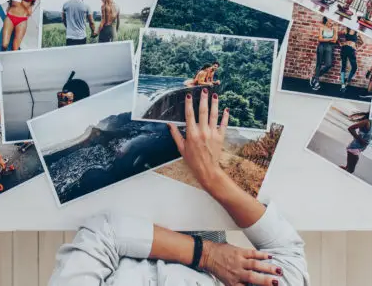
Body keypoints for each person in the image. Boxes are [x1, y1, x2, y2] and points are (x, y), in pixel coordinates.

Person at [48, 90, 309, 286]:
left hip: (129, 206)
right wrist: (211, 175)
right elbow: (287, 253)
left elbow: (102, 233)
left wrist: (207, 255)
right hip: (199, 208)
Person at [310, 17, 338, 91]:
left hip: (329, 46)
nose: (331, 23)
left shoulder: (334, 28)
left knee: (328, 64)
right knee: (319, 63)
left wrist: (325, 39)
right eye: (330, 22)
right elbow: (320, 39)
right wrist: (330, 39)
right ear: (326, 21)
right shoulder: (322, 27)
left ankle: (315, 77)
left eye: (332, 22)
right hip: (321, 46)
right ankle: (316, 82)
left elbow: (335, 41)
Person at [339, 27, 363, 92]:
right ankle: (342, 85)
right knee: (343, 66)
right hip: (344, 49)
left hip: (351, 51)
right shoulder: (346, 29)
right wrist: (341, 43)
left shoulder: (357, 32)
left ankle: (347, 82)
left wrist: (356, 48)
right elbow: (338, 35)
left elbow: (363, 42)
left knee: (354, 67)